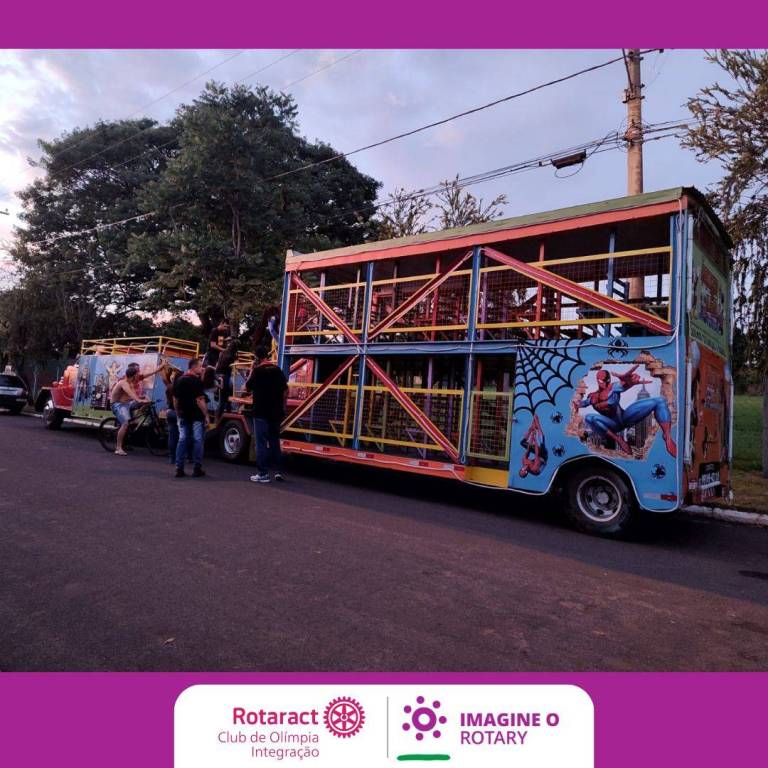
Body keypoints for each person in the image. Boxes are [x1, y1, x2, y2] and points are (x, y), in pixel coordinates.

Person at [577, 365, 677, 457]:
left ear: (609, 379)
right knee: (589, 417)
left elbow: (621, 386)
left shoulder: (613, 388)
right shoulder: (593, 396)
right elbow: (582, 403)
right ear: (597, 380)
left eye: (605, 379)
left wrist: (628, 382)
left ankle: (667, 436)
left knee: (659, 401)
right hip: (612, 425)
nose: (603, 382)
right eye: (600, 380)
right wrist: (576, 402)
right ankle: (619, 440)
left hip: (624, 418)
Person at [245, 346, 288, 483]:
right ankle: (278, 471)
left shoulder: (257, 371)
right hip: (276, 412)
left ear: (257, 358)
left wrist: (251, 370)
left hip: (261, 411)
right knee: (275, 441)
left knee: (261, 443)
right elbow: (286, 390)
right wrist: (283, 405)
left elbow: (246, 388)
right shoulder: (277, 370)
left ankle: (263, 473)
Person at [109, 360, 165, 456]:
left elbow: (152, 372)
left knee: (147, 403)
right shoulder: (124, 383)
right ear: (134, 375)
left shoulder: (136, 379)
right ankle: (118, 448)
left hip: (128, 403)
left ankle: (134, 420)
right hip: (118, 405)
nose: (139, 373)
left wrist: (162, 365)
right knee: (125, 424)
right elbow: (131, 393)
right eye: (137, 373)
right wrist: (139, 400)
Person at [172, 357, 209, 478]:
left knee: (182, 439)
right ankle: (197, 468)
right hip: (197, 415)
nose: (202, 368)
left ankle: (179, 468)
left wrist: (178, 412)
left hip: (183, 414)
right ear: (194, 367)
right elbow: (200, 400)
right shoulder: (196, 382)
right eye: (200, 366)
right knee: (198, 439)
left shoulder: (179, 380)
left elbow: (175, 399)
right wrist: (206, 415)